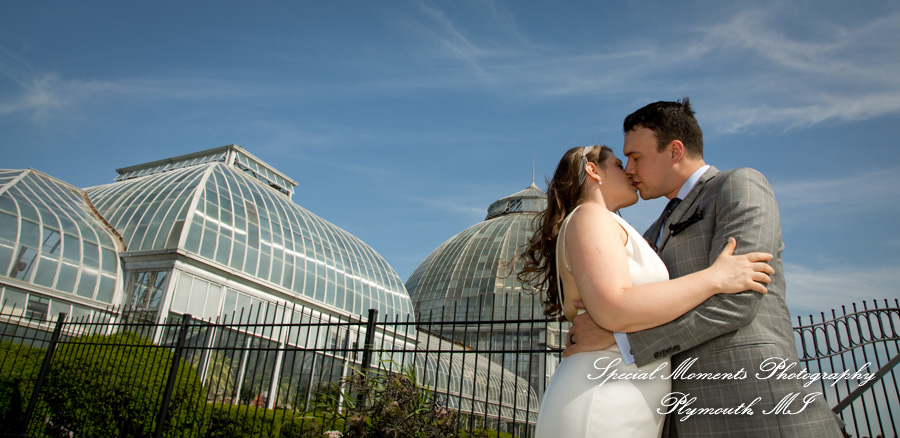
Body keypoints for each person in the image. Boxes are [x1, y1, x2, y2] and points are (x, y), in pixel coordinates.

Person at [564, 98, 845, 437]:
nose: (630, 169)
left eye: (636, 157)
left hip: (758, 409)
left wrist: (620, 338)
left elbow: (737, 300)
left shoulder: (738, 185)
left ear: (675, 151)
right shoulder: (650, 233)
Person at [518, 144, 775, 437]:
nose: (629, 170)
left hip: (625, 392)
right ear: (593, 170)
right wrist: (715, 278)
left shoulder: (609, 223)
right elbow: (614, 306)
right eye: (617, 164)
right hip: (604, 395)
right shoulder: (590, 215)